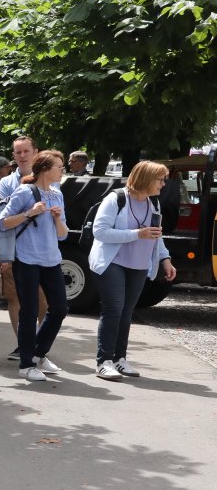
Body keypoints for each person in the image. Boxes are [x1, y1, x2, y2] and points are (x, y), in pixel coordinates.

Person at [89, 161, 178, 379]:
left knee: (127, 311)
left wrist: (165, 259)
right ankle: (104, 361)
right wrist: (137, 234)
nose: (163, 184)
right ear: (146, 179)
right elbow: (99, 232)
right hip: (112, 262)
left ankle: (119, 359)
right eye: (160, 180)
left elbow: (156, 235)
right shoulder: (116, 199)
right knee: (114, 309)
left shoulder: (153, 203)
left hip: (139, 265)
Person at [2, 149, 69, 382]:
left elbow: (63, 235)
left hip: (51, 259)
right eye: (59, 167)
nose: (62, 171)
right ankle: (26, 364)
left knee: (60, 309)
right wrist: (30, 213)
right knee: (29, 312)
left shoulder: (57, 194)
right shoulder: (24, 191)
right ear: (45, 169)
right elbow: (3, 222)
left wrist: (57, 219)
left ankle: (38, 353)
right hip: (26, 259)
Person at [0, 135, 46, 358]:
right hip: (13, 248)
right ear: (13, 156)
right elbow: (4, 217)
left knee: (44, 300)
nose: (23, 156)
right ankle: (23, 344)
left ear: (36, 152)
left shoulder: (48, 178)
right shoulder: (6, 183)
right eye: (18, 152)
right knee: (14, 297)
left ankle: (41, 345)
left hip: (42, 248)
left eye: (26, 151)